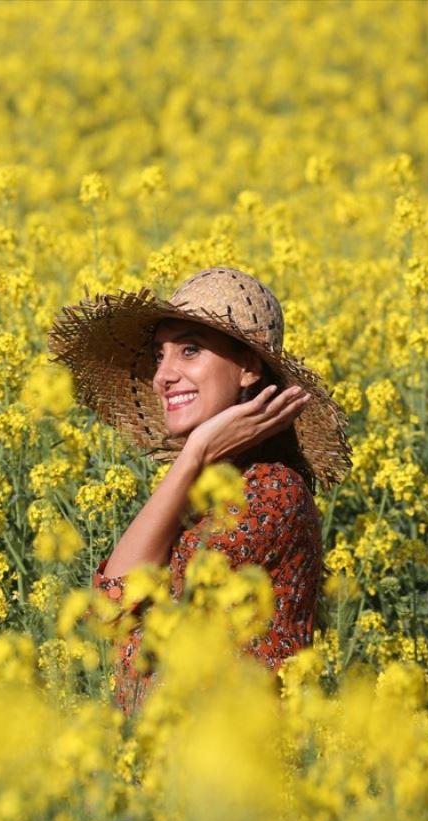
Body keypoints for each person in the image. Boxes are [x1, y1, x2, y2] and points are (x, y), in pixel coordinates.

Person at [47, 267, 352, 715]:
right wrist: (195, 459)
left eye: (190, 350)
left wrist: (193, 454)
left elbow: (110, 609)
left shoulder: (272, 492)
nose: (163, 376)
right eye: (158, 356)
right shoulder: (200, 490)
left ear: (248, 368)